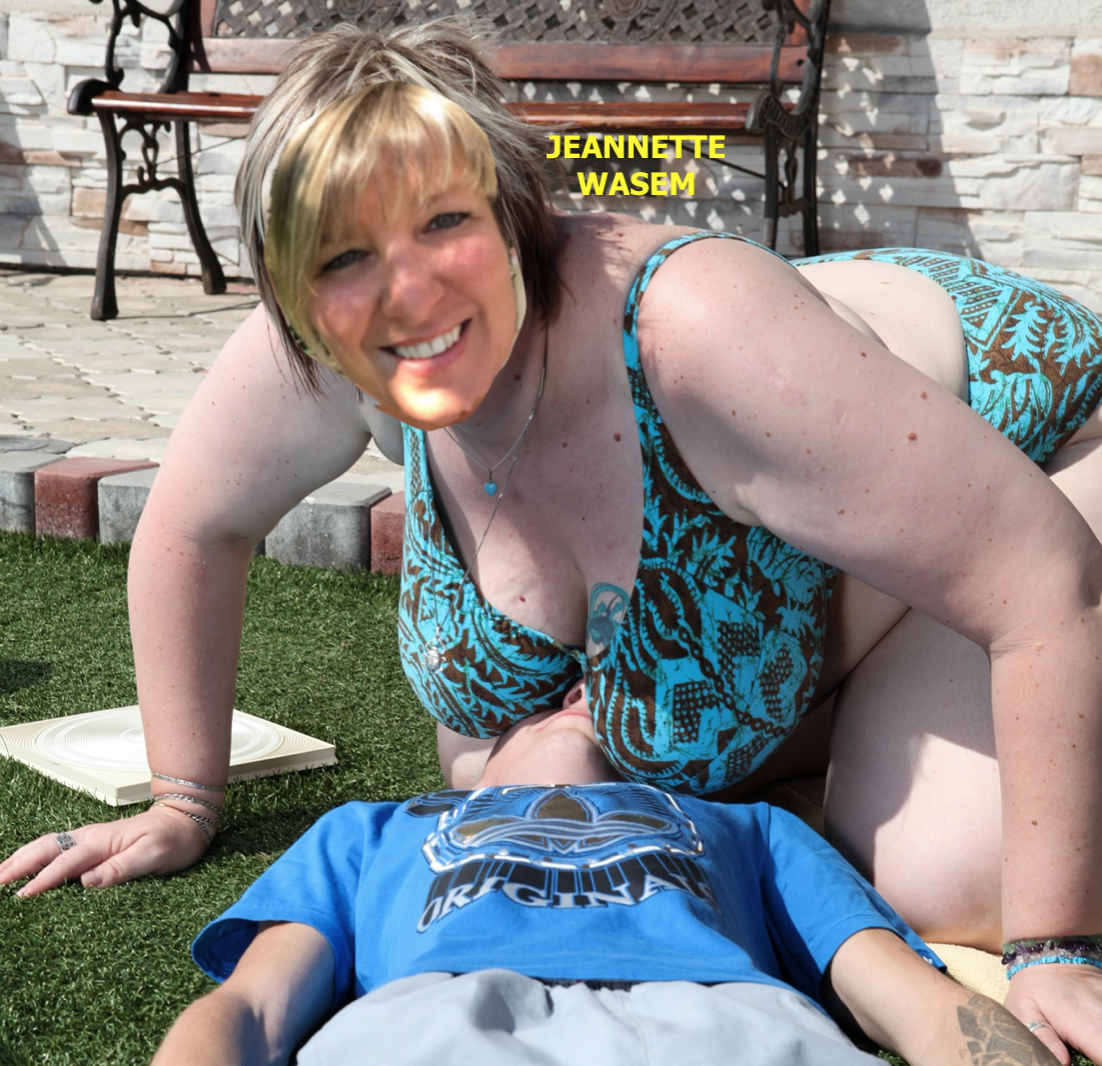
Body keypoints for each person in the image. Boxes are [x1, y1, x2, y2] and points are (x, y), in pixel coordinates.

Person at [2, 18, 1100, 1059]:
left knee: (938, 874)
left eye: (444, 222)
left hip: (1037, 446)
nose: (408, 291)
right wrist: (184, 799)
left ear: (518, 208)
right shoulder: (338, 342)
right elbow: (193, 525)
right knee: (497, 756)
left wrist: (1055, 946)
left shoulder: (693, 337)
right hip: (815, 489)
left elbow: (1048, 582)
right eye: (341, 256)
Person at [151, 685, 1056, 1066]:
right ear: (475, 766)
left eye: (606, 688)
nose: (578, 687)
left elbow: (914, 1004)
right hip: (440, 1027)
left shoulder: (748, 826)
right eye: (542, 691)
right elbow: (253, 1011)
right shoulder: (370, 829)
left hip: (727, 1029)